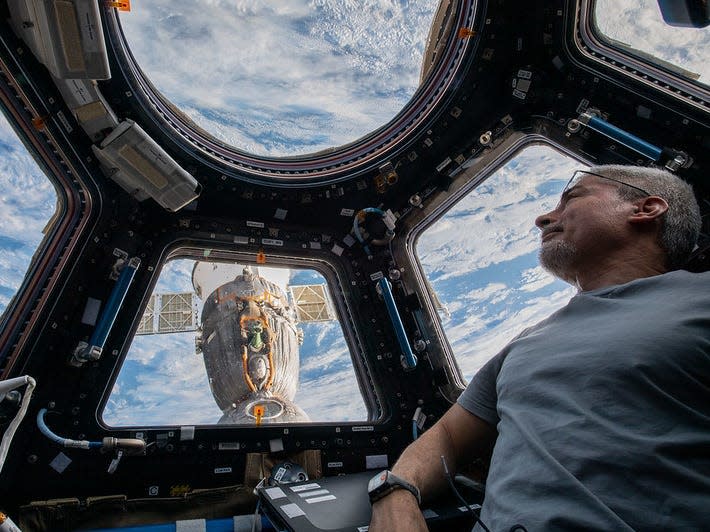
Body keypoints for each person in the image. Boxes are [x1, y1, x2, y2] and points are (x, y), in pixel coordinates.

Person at [369, 165, 709, 531]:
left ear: (646, 209)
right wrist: (396, 491)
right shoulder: (526, 342)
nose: (543, 217)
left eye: (573, 197)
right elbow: (448, 436)